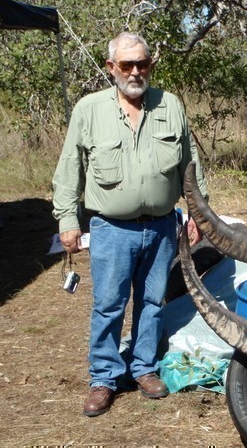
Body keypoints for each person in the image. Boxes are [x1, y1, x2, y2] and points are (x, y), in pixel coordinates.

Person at [52, 32, 207, 417]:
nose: (135, 72)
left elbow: (191, 167)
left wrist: (198, 213)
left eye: (142, 63)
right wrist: (68, 219)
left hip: (160, 226)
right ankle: (103, 378)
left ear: (150, 65)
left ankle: (143, 369)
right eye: (127, 65)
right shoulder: (89, 110)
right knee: (108, 306)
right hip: (110, 228)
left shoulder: (169, 105)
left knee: (153, 302)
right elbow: (70, 167)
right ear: (111, 68)